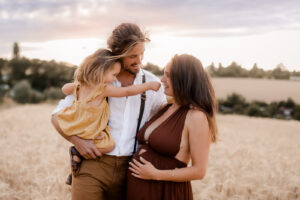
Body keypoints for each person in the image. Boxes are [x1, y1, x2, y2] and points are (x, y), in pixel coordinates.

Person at [51, 23, 166, 200]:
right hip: (92, 164)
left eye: (142, 53)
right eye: (132, 56)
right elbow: (56, 115)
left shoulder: (151, 82)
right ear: (116, 53)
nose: (139, 60)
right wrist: (77, 142)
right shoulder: (95, 79)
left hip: (131, 169)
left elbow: (163, 122)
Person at [126, 54, 218, 200]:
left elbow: (199, 171)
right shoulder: (165, 108)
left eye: (168, 76)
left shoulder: (196, 116)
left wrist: (156, 174)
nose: (162, 80)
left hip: (166, 192)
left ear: (184, 80)